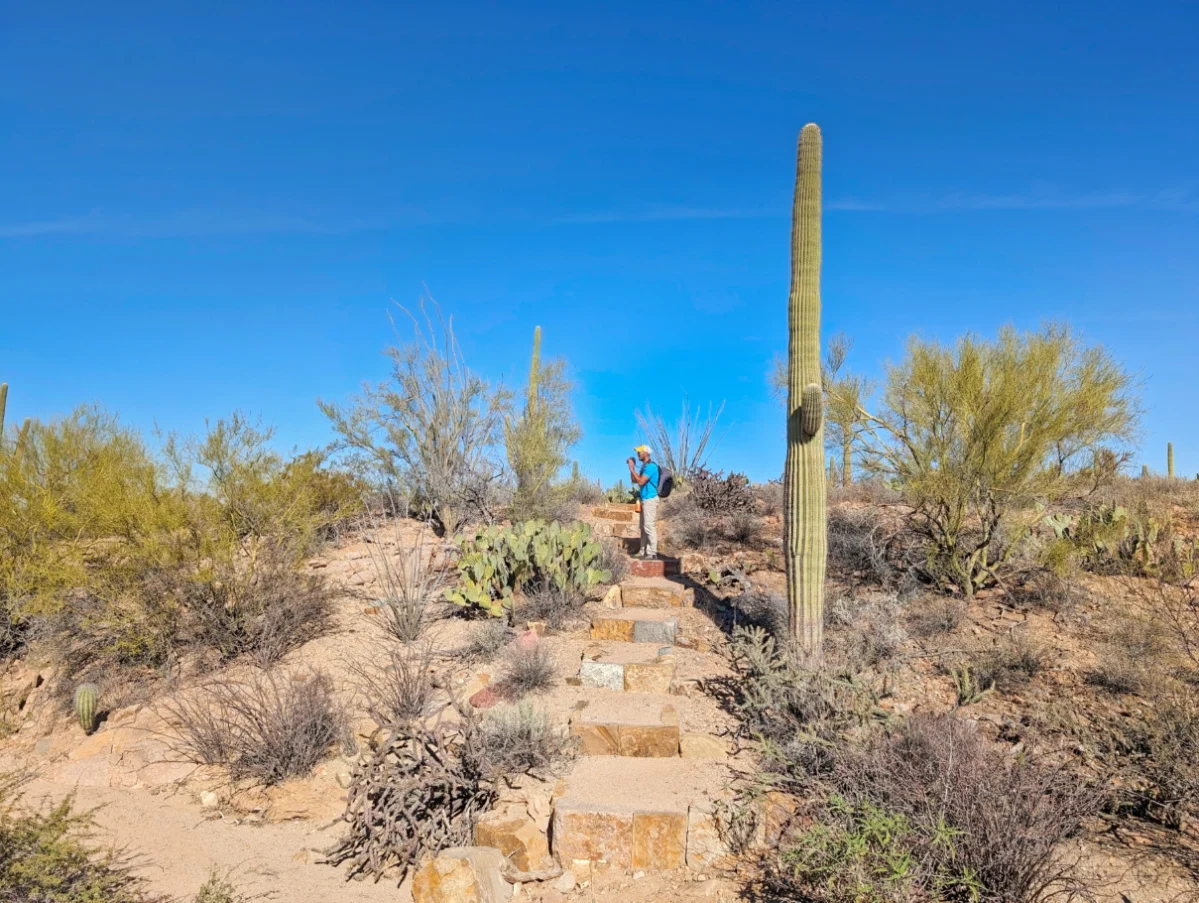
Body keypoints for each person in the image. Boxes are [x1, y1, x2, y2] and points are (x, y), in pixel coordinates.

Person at [627, 445, 660, 559]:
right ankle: (642, 551)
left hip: (650, 499)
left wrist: (632, 468)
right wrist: (632, 468)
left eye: (639, 452)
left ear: (646, 453)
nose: (638, 454)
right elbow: (634, 480)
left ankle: (652, 552)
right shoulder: (644, 467)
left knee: (649, 526)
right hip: (644, 499)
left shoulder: (651, 467)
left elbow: (640, 482)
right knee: (643, 527)